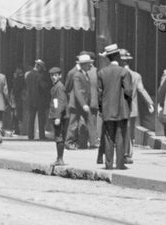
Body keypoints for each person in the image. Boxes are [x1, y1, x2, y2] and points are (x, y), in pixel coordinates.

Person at [96, 42, 132, 170]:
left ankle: (109, 164)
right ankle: (120, 164)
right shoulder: (124, 72)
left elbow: (99, 94)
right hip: (121, 110)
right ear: (117, 56)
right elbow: (128, 91)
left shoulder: (101, 73)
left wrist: (101, 109)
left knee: (108, 137)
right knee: (120, 137)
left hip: (107, 110)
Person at [118, 49, 154, 164]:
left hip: (119, 107)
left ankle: (124, 153)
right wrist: (150, 103)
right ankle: (129, 152)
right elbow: (141, 90)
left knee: (122, 130)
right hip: (132, 108)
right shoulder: (136, 75)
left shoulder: (118, 74)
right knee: (130, 131)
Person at [66, 52, 96, 149]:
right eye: (88, 64)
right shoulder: (77, 75)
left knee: (90, 121)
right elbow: (78, 91)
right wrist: (84, 104)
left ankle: (92, 142)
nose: (90, 65)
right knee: (73, 124)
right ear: (83, 65)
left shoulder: (85, 74)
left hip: (83, 104)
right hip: (77, 104)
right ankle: (69, 142)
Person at [25, 59, 51, 141]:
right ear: (38, 66)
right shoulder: (40, 76)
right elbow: (43, 87)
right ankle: (41, 135)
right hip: (39, 100)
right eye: (41, 68)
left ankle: (30, 135)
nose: (41, 70)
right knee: (41, 118)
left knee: (31, 118)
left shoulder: (28, 75)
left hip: (30, 99)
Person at [47, 66, 68, 163]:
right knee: (58, 137)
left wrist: (58, 117)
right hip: (57, 115)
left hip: (60, 116)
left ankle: (60, 159)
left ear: (60, 76)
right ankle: (59, 158)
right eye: (51, 75)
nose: (53, 77)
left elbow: (61, 103)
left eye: (55, 75)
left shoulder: (59, 87)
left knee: (59, 137)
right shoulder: (55, 86)